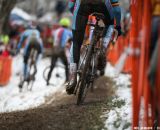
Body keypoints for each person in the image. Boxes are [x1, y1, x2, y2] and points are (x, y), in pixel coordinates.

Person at [66, 0, 122, 94]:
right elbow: (117, 10)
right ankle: (103, 48)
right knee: (110, 23)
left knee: (76, 42)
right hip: (102, 4)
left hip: (82, 6)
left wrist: (77, 15)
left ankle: (72, 77)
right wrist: (118, 26)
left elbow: (71, 5)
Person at [46, 17, 72, 85]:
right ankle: (66, 80)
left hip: (54, 49)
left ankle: (47, 81)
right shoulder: (68, 31)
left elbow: (51, 39)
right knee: (67, 65)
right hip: (61, 50)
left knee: (52, 66)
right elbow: (70, 39)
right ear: (67, 24)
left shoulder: (56, 31)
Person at [17, 23, 43, 88]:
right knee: (37, 57)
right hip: (37, 45)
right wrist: (41, 52)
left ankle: (25, 75)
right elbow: (40, 42)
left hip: (29, 45)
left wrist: (18, 49)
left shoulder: (25, 32)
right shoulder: (37, 31)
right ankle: (35, 66)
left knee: (25, 61)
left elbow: (21, 41)